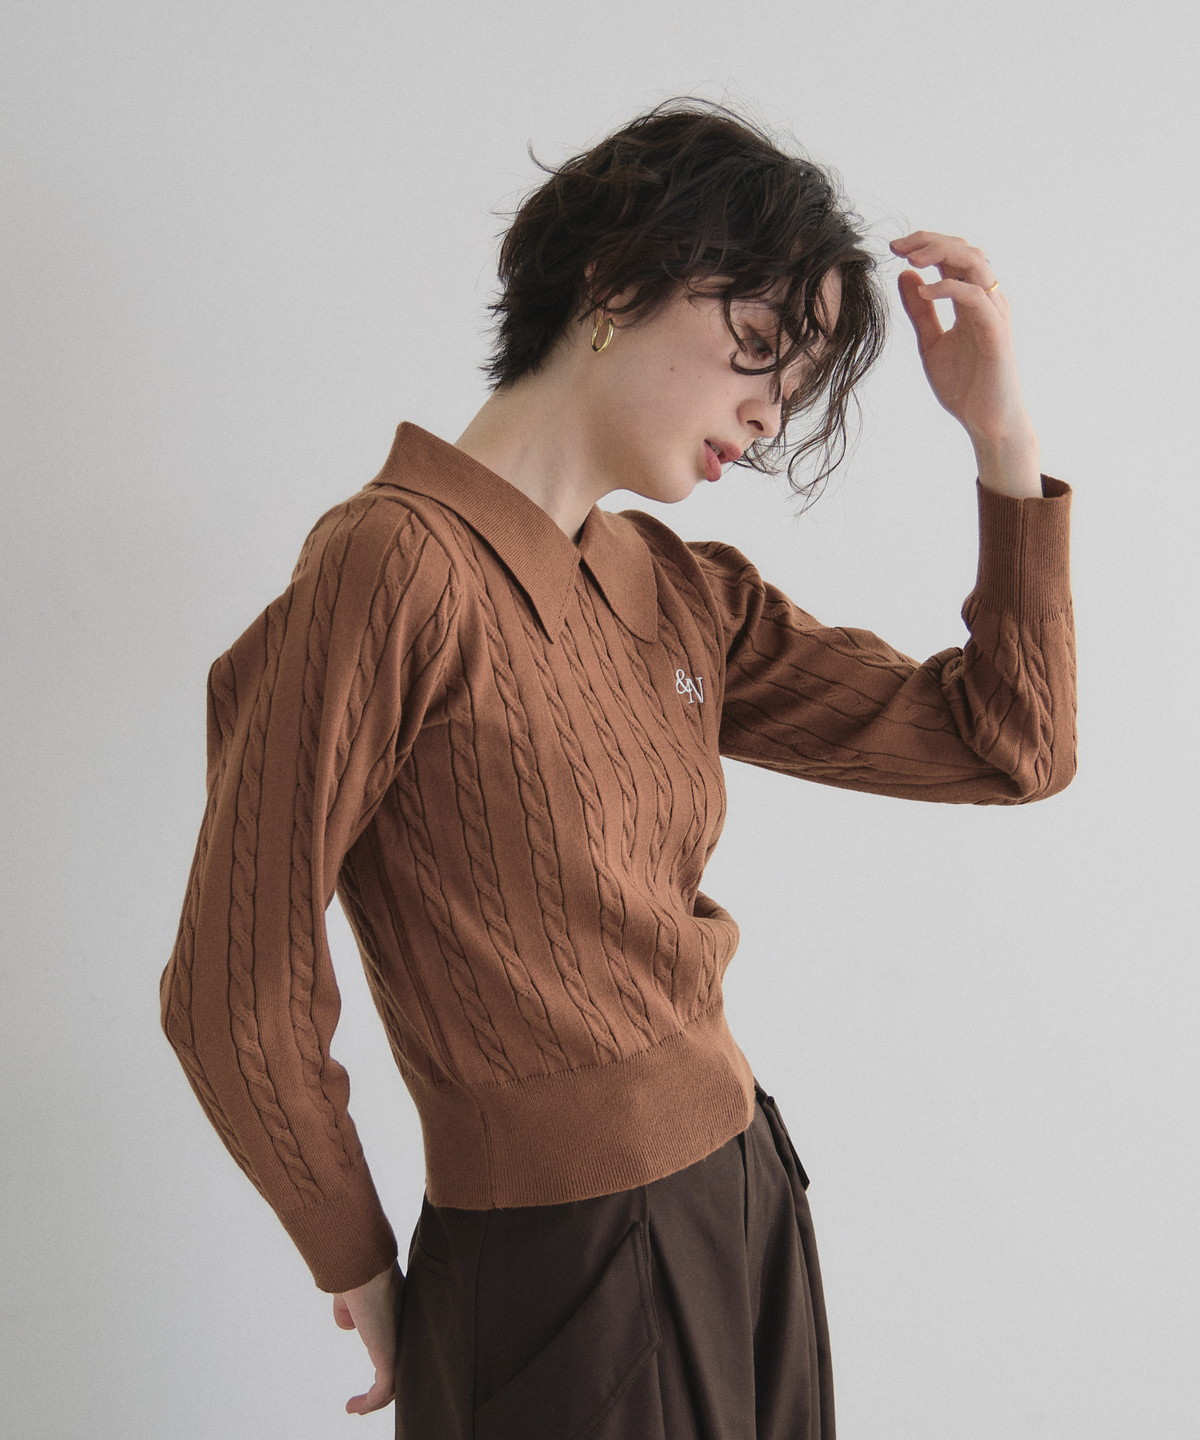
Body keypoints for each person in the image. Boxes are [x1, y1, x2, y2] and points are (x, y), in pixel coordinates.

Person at [159, 96, 1076, 1439]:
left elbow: (1008, 745)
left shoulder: (674, 588)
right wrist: (354, 1256)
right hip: (562, 1262)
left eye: (794, 389)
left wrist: (1003, 444)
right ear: (614, 281)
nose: (767, 415)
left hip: (746, 1198)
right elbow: (232, 984)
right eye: (757, 350)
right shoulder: (392, 565)